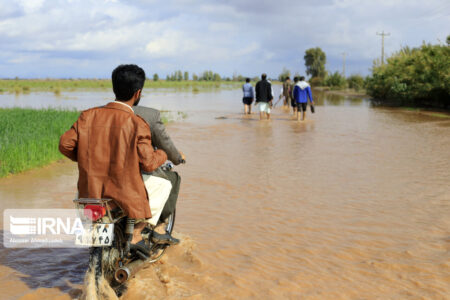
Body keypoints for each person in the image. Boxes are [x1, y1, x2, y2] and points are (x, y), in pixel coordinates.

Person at [59, 64, 167, 250]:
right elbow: (148, 164)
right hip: (124, 194)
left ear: (114, 88)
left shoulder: (88, 116)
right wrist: (162, 154)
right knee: (165, 185)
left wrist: (87, 157)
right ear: (138, 93)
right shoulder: (137, 123)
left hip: (90, 192)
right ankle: (136, 234)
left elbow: (65, 144)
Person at [133, 104, 185, 244]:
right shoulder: (149, 115)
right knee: (172, 179)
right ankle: (159, 228)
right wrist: (175, 157)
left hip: (103, 177)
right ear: (138, 92)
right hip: (137, 173)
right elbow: (164, 144)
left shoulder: (98, 113)